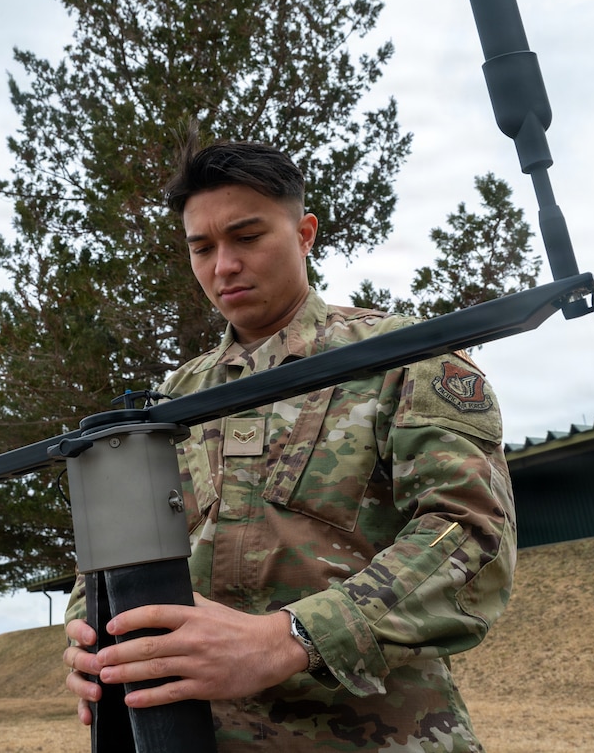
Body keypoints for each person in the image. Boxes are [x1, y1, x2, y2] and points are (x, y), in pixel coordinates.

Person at [64, 132, 515, 751]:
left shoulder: (404, 358)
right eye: (202, 248)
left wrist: (289, 638)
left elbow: (471, 535)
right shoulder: (173, 401)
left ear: (305, 234)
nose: (223, 266)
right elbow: (118, 545)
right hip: (190, 735)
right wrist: (91, 632)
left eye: (247, 238)